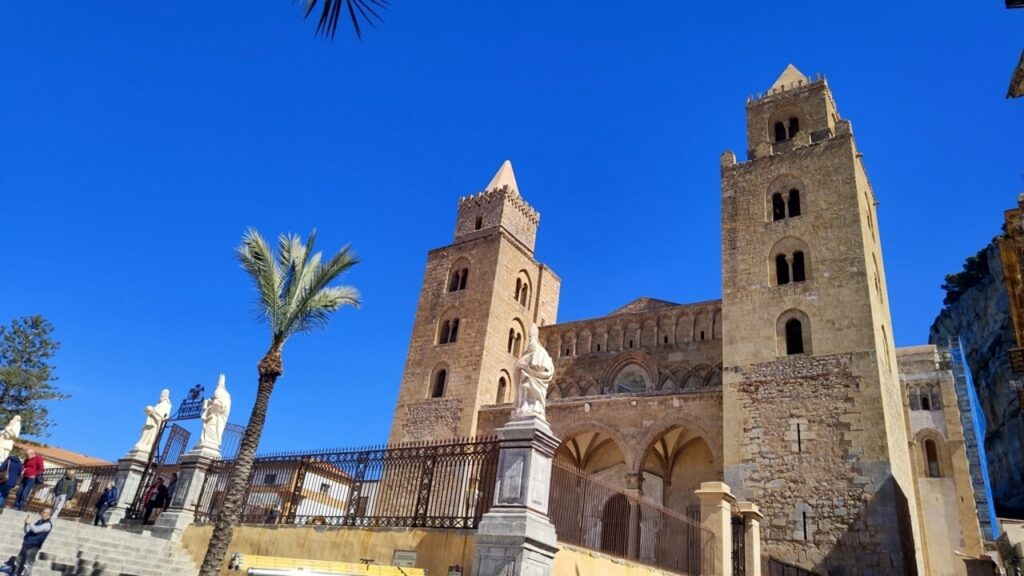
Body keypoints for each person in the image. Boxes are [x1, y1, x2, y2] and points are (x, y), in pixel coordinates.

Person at [14, 508, 52, 575]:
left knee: (28, 564)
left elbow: (36, 530)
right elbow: (27, 530)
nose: (41, 513)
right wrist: (26, 524)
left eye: (43, 512)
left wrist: (30, 524)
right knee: (19, 561)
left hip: (34, 546)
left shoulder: (48, 524)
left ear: (48, 514)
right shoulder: (38, 521)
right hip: (26, 543)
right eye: (42, 511)